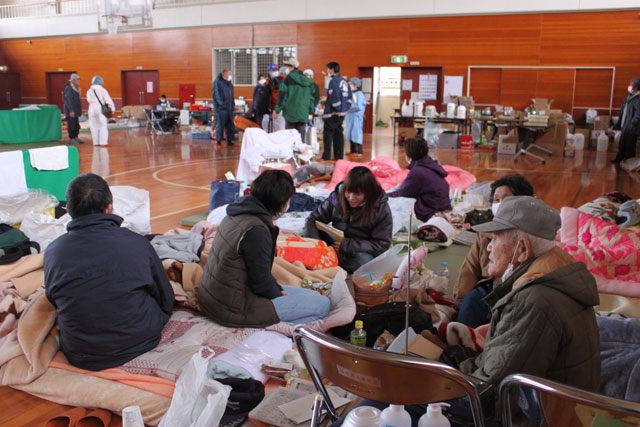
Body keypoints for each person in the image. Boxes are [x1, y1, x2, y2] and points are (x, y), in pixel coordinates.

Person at [447, 196, 601, 392]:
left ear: (522, 249)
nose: (488, 247)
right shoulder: (553, 276)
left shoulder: (533, 301)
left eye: (494, 239)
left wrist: (449, 376)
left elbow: (489, 390)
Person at [44, 173, 174, 371]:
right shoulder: (136, 243)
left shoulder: (53, 251)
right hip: (141, 342)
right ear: (110, 207)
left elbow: (54, 299)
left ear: (68, 210)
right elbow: (165, 297)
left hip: (80, 352)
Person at [199, 170, 331, 328]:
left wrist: (276, 290)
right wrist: (275, 293)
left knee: (312, 296)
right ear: (280, 202)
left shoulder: (236, 212)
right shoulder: (256, 230)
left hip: (215, 296)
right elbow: (260, 282)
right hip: (233, 307)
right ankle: (275, 328)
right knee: (322, 305)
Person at [454, 174, 534, 328]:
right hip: (490, 288)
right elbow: (470, 269)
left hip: (520, 290)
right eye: (496, 200)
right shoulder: (485, 234)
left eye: (506, 198)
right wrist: (460, 301)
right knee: (472, 302)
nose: (500, 204)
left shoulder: (531, 234)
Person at [303, 166, 392, 273]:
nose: (351, 197)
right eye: (348, 192)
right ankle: (329, 264)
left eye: (357, 194)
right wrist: (317, 246)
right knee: (307, 239)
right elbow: (312, 219)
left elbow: (382, 244)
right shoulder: (337, 197)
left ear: (368, 192)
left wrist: (348, 245)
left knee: (363, 262)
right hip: (334, 244)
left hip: (358, 250)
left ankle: (331, 268)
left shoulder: (380, 209)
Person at [387, 137, 450, 221]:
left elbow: (403, 193)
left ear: (409, 155)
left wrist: (384, 196)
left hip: (432, 212)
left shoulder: (418, 172)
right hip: (443, 207)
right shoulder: (432, 165)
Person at [274, 57, 315, 141]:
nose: (287, 69)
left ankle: (292, 153)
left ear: (292, 67)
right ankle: (301, 152)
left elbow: (282, 97)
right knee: (301, 138)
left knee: (290, 138)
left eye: (288, 66)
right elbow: (311, 99)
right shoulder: (309, 82)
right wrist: (311, 112)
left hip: (290, 114)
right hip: (303, 113)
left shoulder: (286, 80)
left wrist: (277, 110)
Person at [322, 61, 352, 161]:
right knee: (338, 134)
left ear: (332, 70)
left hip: (333, 113)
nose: (327, 71)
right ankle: (339, 156)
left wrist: (337, 109)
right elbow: (350, 97)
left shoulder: (333, 81)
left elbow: (334, 97)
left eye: (328, 69)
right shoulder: (345, 81)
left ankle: (326, 156)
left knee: (328, 134)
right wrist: (345, 109)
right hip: (342, 113)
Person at [612, 77, 640, 163]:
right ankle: (619, 159)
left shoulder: (638, 98)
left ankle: (629, 162)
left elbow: (638, 114)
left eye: (631, 85)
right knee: (622, 144)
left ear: (635, 87)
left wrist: (633, 123)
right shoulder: (629, 97)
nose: (629, 86)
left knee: (629, 146)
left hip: (632, 127)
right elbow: (623, 111)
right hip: (625, 125)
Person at [86, 75, 115, 147]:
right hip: (100, 109)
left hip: (91, 109)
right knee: (102, 125)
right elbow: (108, 100)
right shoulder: (102, 90)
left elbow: (88, 100)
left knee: (93, 126)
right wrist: (112, 108)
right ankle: (103, 142)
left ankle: (95, 142)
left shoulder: (89, 91)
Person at [213, 68, 236, 146]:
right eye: (229, 74)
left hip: (229, 108)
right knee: (220, 124)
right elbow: (216, 95)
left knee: (229, 125)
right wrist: (221, 104)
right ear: (224, 74)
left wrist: (233, 105)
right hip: (221, 108)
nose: (230, 76)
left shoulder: (229, 84)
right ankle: (218, 140)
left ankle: (229, 140)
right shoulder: (218, 82)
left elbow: (232, 96)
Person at [345, 77, 367, 156]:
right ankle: (352, 151)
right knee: (351, 133)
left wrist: (348, 107)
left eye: (351, 83)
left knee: (356, 134)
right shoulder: (352, 93)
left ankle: (358, 151)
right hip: (351, 116)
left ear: (356, 85)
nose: (349, 85)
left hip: (356, 117)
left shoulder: (359, 94)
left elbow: (359, 106)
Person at [63, 73, 83, 145]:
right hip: (71, 111)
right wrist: (71, 110)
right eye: (78, 80)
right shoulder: (69, 89)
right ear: (73, 80)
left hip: (75, 110)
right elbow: (68, 100)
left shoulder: (76, 88)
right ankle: (72, 138)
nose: (79, 81)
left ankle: (76, 137)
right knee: (72, 125)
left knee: (76, 124)